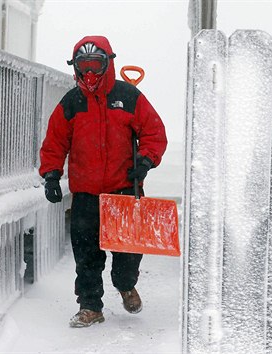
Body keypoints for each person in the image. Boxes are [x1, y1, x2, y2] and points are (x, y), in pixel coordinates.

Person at [39, 36, 167, 327]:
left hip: (122, 191)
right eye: (84, 66)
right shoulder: (71, 102)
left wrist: (145, 160)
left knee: (127, 252)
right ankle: (90, 306)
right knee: (86, 255)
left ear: (108, 64)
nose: (90, 74)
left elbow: (154, 132)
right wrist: (51, 174)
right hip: (85, 196)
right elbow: (55, 142)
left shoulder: (129, 97)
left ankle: (125, 285)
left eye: (96, 65)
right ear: (76, 68)